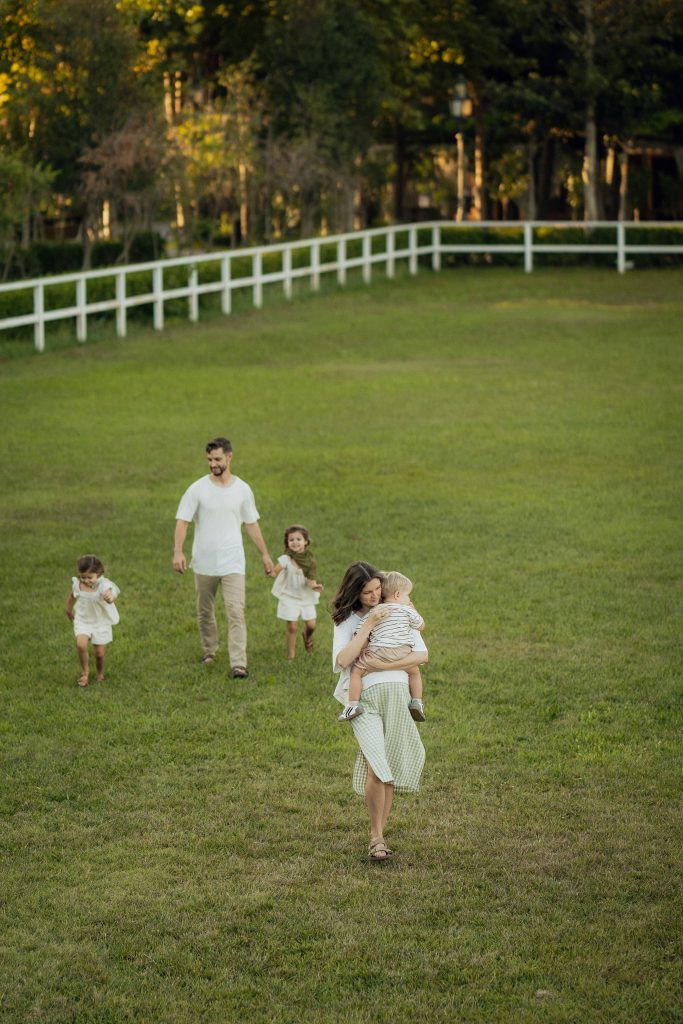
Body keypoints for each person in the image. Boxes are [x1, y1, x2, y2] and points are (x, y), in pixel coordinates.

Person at [332, 562, 427, 862]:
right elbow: (343, 659)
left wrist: (380, 664)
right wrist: (370, 624)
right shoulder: (348, 621)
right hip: (364, 700)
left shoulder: (397, 610)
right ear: (354, 593)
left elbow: (420, 655)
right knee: (376, 763)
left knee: (389, 765)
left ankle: (379, 835)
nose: (375, 597)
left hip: (397, 694)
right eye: (367, 592)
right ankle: (376, 836)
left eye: (377, 590)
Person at [173, 437, 274, 678]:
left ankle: (238, 664)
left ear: (230, 457)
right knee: (205, 611)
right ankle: (209, 650)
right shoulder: (196, 489)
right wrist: (178, 551)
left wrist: (265, 555)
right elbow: (182, 521)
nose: (213, 464)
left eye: (217, 459)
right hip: (204, 562)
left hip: (233, 563)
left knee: (236, 611)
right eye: (209, 459)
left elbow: (251, 524)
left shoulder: (242, 489)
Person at [342, 569, 428, 723]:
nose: (408, 599)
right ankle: (417, 702)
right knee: (414, 672)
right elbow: (421, 626)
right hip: (403, 652)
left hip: (379, 652)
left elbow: (361, 632)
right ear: (397, 595)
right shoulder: (407, 610)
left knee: (356, 672)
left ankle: (353, 705)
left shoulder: (375, 611)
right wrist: (413, 609)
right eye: (407, 595)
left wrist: (365, 650)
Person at [269, 524, 324, 660]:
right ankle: (291, 656)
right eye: (291, 540)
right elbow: (276, 570)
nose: (295, 542)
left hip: (305, 596)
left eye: (298, 539)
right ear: (287, 543)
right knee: (292, 627)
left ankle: (307, 636)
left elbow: (311, 581)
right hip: (290, 596)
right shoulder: (286, 559)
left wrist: (316, 587)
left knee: (311, 625)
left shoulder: (310, 561)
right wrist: (271, 572)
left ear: (306, 541)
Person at [66, 554, 120, 687]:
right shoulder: (78, 585)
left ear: (98, 574)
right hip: (83, 620)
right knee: (81, 645)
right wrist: (68, 609)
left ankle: (100, 672)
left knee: (99, 654)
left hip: (100, 622)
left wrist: (109, 597)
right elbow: (73, 595)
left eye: (90, 577)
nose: (86, 580)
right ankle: (85, 672)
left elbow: (111, 591)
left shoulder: (103, 584)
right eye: (83, 577)